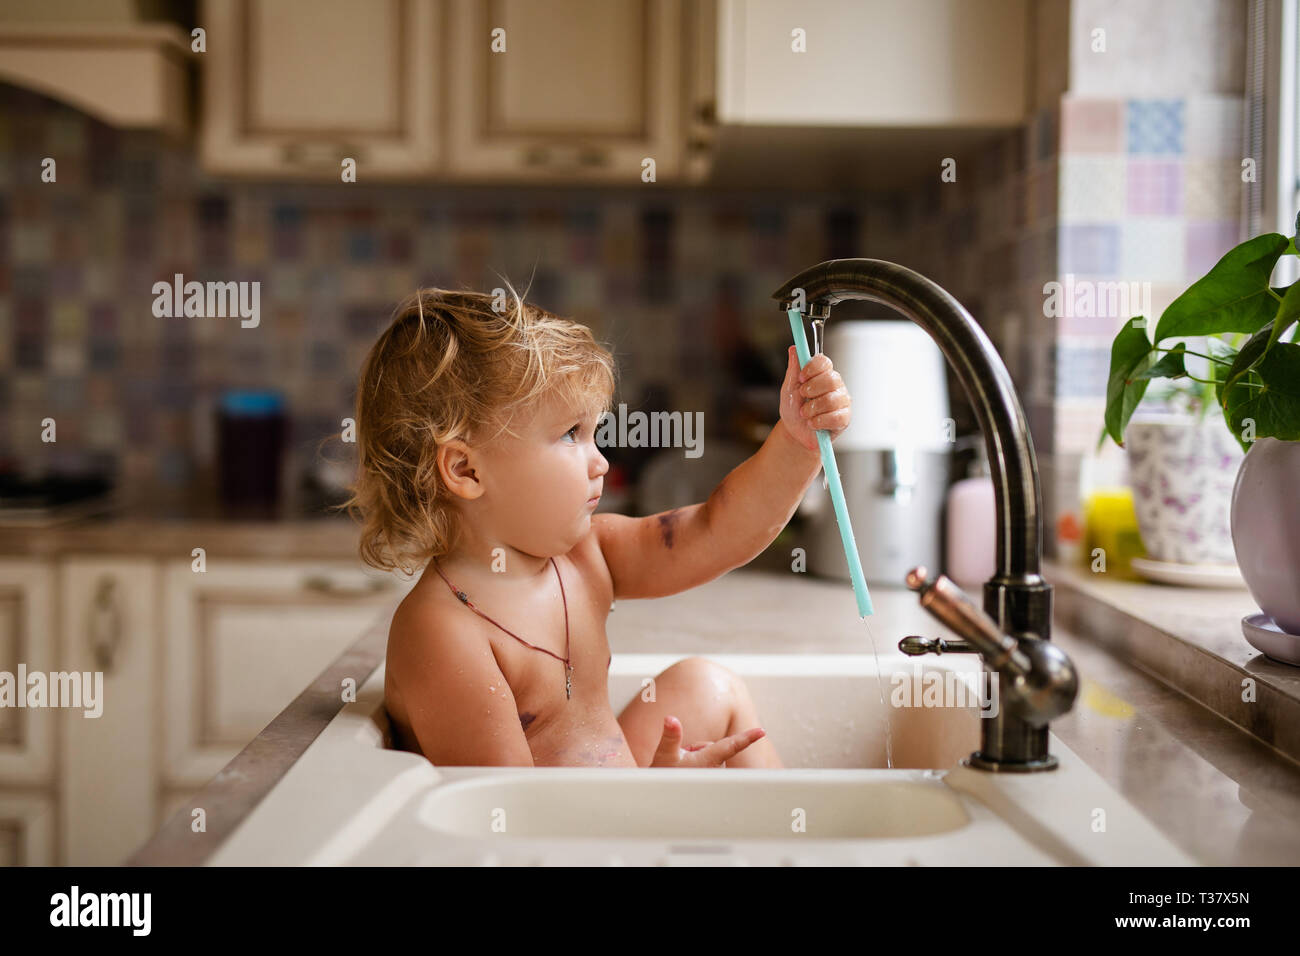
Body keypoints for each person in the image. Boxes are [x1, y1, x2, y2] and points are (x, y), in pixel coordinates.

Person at [345, 286, 851, 768]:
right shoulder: (445, 632)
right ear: (466, 470)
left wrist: (795, 441)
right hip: (560, 843)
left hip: (615, 801)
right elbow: (502, 817)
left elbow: (717, 529)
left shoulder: (587, 557)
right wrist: (653, 800)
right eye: (570, 434)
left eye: (593, 433)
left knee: (707, 686)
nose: (601, 462)